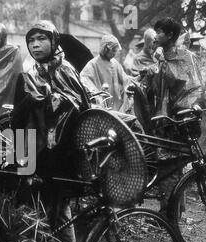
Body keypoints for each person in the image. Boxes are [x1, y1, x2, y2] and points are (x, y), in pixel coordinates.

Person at [11, 20, 91, 242]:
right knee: (59, 207)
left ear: (54, 41)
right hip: (40, 149)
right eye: (31, 40)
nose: (35, 45)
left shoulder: (65, 69)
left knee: (41, 210)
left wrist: (47, 98)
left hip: (57, 152)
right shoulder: (32, 71)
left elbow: (79, 104)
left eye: (41, 39)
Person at [137, 18, 203, 216]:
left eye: (160, 32)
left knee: (173, 165)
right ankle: (173, 211)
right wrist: (147, 76)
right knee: (166, 165)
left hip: (179, 120)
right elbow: (154, 87)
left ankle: (170, 214)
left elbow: (194, 87)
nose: (156, 35)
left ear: (171, 35)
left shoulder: (186, 57)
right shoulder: (158, 57)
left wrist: (183, 110)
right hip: (160, 121)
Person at [80, 34, 131, 113]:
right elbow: (84, 79)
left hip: (116, 104)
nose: (114, 53)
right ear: (105, 49)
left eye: (115, 50)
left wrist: (136, 80)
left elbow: (125, 79)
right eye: (113, 50)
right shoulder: (93, 64)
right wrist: (96, 94)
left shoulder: (115, 63)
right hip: (101, 105)